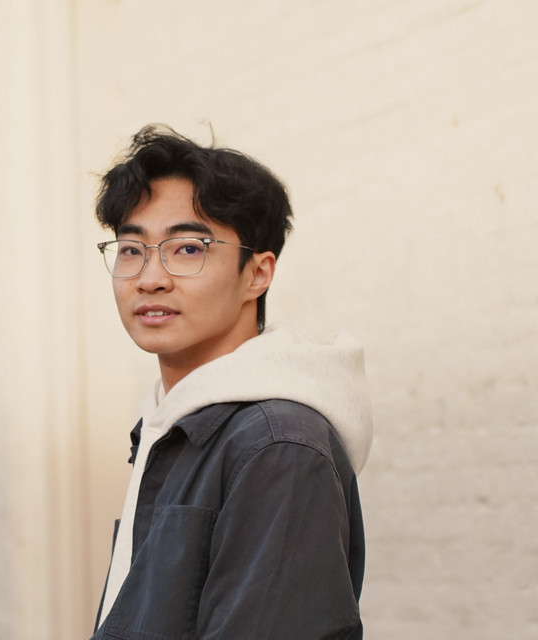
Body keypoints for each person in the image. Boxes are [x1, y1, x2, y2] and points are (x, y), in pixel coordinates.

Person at [90, 125, 373, 640]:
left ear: (257, 274)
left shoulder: (277, 446)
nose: (150, 278)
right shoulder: (175, 426)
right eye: (131, 249)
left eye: (187, 249)